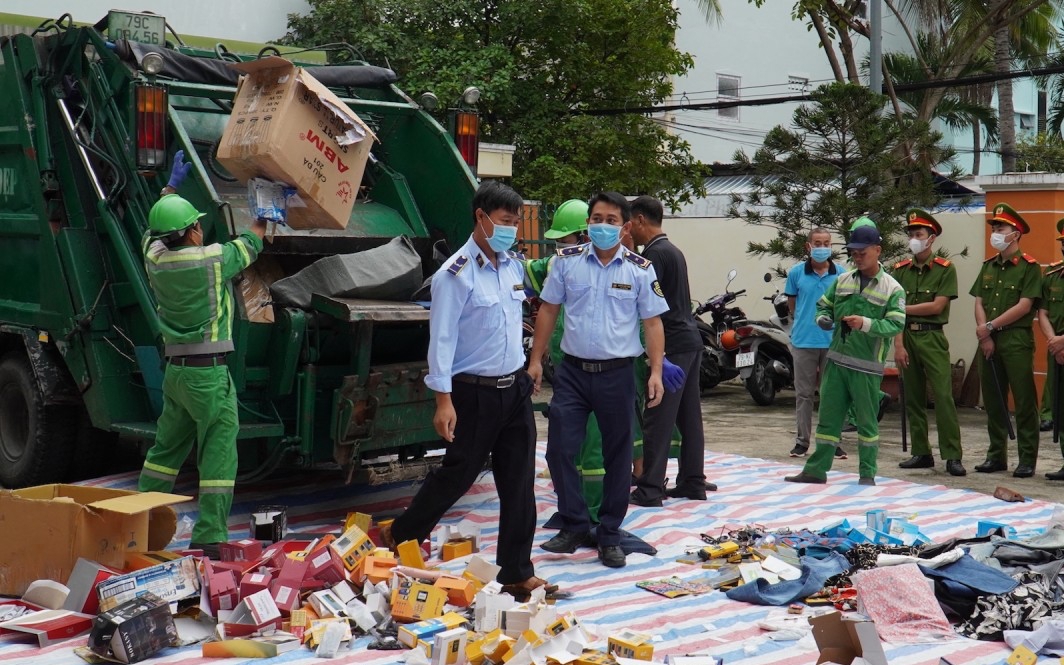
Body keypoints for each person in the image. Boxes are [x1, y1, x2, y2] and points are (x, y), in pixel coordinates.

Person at [379, 181, 554, 598]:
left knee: (519, 481)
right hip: (473, 393)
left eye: (515, 222)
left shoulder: (513, 266)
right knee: (458, 474)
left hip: (514, 389)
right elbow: (441, 341)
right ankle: (403, 534)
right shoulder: (455, 274)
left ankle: (516, 570)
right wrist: (443, 400)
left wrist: (531, 367)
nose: (512, 229)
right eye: (506, 222)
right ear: (481, 217)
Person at [527, 191, 669, 568]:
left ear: (624, 227)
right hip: (573, 373)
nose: (602, 226)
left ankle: (608, 534)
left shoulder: (639, 269)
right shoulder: (566, 263)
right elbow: (548, 310)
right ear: (587, 223)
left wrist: (655, 371)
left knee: (618, 457)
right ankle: (574, 524)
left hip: (617, 375)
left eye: (610, 220)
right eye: (596, 218)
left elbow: (653, 323)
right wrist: (536, 359)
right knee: (559, 449)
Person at [138, 151, 267, 557]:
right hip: (208, 377)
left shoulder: (155, 259)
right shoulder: (211, 261)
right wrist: (268, 210)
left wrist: (170, 187)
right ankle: (210, 535)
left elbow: (151, 233)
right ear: (193, 231)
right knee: (217, 456)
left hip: (176, 374)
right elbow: (252, 243)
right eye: (197, 224)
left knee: (164, 453)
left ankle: (138, 525)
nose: (200, 228)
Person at [785, 223, 906, 486]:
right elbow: (823, 307)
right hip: (837, 363)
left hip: (866, 367)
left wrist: (866, 324)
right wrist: (823, 320)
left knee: (866, 423)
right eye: (854, 252)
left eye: (863, 252)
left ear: (878, 250)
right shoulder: (842, 280)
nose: (858, 257)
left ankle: (867, 473)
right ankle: (816, 470)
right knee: (828, 420)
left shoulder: (892, 288)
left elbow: (896, 325)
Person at [628, 195, 714, 506]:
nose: (628, 230)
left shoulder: (653, 256)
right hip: (690, 341)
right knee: (689, 418)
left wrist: (657, 358)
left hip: (672, 344)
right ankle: (693, 482)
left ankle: (650, 488)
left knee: (658, 416)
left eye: (628, 223)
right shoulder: (672, 251)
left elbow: (651, 310)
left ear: (639, 220)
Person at [525, 199, 607, 521]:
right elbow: (529, 270)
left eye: (564, 240)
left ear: (584, 237)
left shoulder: (612, 269)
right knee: (560, 446)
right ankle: (571, 511)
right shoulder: (560, 265)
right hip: (567, 370)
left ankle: (595, 516)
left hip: (598, 372)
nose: (559, 247)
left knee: (592, 450)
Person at [889, 209, 965, 476]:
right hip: (906, 336)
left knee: (943, 397)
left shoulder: (945, 269)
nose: (913, 239)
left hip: (932, 336)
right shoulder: (899, 271)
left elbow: (937, 306)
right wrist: (898, 345)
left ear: (931, 238)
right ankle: (921, 452)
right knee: (912, 397)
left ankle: (952, 455)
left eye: (918, 234)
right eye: (910, 234)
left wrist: (903, 310)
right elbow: (893, 314)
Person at [971, 203, 1042, 478]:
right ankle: (996, 455)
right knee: (993, 400)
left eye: (1001, 228)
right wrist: (984, 331)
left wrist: (989, 327)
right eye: (994, 228)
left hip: (1015, 340)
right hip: (988, 340)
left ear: (1016, 233)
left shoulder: (1029, 267)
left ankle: (1027, 459)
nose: (996, 233)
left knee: (1024, 402)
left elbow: (1025, 306)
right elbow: (978, 300)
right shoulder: (988, 266)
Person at [784, 227, 846, 459]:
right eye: (817, 243)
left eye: (826, 243)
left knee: (833, 394)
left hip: (833, 341)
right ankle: (802, 441)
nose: (822, 248)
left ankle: (833, 441)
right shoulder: (797, 273)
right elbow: (793, 305)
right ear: (808, 246)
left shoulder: (841, 274)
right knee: (804, 394)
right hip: (803, 341)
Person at [1041, 219, 1064, 480]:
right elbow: (1043, 312)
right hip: (1056, 349)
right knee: (1060, 406)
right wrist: (1053, 341)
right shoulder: (1052, 275)